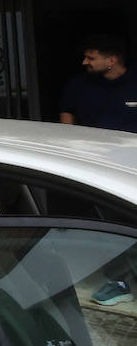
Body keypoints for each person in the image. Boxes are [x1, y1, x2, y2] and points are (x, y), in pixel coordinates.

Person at [59, 35, 137, 305]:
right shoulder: (79, 84)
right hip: (97, 169)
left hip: (133, 169)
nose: (85, 62)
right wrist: (71, 146)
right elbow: (66, 110)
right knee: (111, 226)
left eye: (91, 57)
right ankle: (120, 282)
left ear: (111, 60)